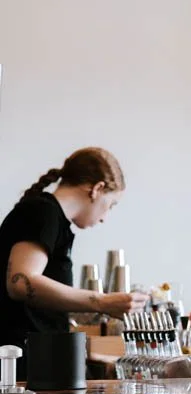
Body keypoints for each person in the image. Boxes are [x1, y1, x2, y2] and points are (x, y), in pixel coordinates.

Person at [0, 147, 148, 379]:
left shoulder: (52, 219)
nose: (104, 218)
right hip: (23, 370)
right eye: (111, 205)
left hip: (36, 364)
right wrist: (102, 302)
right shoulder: (43, 212)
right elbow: (20, 282)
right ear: (97, 189)